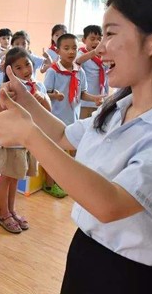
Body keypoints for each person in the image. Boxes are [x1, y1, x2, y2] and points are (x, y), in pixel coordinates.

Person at [0, 0, 152, 294]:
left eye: (110, 33)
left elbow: (109, 204)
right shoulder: (118, 107)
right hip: (85, 249)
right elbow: (60, 135)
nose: (99, 48)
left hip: (129, 276)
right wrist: (24, 101)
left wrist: (28, 135)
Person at [0, 48, 50, 233]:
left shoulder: (37, 87)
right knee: (6, 177)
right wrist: (6, 100)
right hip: (11, 141)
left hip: (26, 140)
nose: (25, 70)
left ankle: (12, 209)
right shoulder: (7, 88)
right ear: (10, 71)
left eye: (28, 64)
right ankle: (4, 213)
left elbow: (48, 111)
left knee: (16, 177)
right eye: (19, 67)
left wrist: (42, 98)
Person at [43, 33, 102, 198]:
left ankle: (61, 182)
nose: (71, 52)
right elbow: (44, 94)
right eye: (66, 48)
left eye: (74, 48)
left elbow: (82, 94)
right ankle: (49, 184)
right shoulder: (53, 71)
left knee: (66, 154)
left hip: (72, 119)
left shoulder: (79, 71)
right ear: (58, 50)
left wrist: (95, 98)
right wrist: (55, 95)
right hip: (55, 119)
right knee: (54, 154)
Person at [76, 25, 108, 119]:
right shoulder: (81, 53)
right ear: (84, 40)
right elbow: (78, 61)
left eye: (99, 39)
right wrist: (95, 52)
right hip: (86, 102)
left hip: (100, 101)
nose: (96, 42)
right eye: (92, 39)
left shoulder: (102, 56)